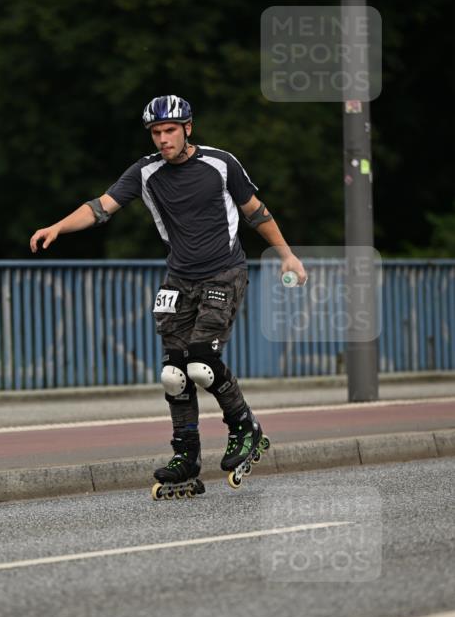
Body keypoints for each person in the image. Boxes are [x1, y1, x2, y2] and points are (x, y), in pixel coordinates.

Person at [30, 94, 306, 492]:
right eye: (156, 132)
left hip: (223, 274)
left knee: (201, 365)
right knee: (173, 374)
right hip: (178, 280)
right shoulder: (145, 173)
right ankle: (186, 455)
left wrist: (287, 256)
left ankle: (245, 427)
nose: (163, 139)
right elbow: (100, 207)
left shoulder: (220, 164)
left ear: (187, 128)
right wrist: (57, 227)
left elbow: (256, 212)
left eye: (170, 130)